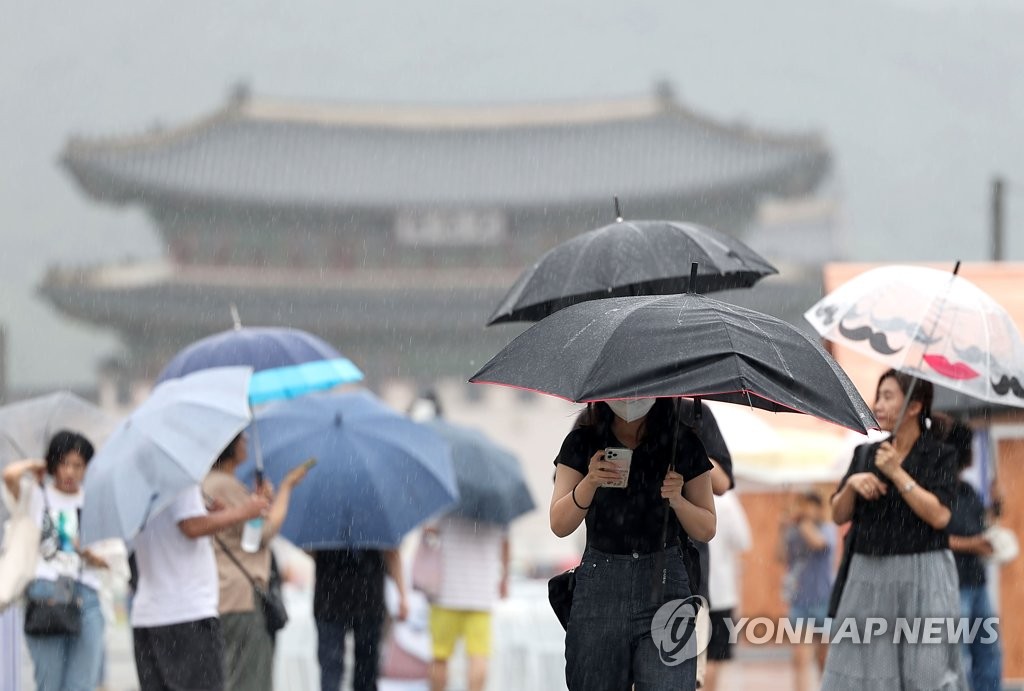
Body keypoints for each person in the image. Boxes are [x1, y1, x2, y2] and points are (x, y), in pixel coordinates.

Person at [550, 397, 716, 691]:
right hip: (600, 584)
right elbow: (560, 524)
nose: (631, 399)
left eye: (640, 390)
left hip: (664, 581)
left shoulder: (682, 442)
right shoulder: (583, 441)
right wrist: (589, 482)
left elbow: (706, 528)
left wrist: (678, 501)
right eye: (623, 392)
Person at [822, 369, 965, 689]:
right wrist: (852, 487)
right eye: (879, 396)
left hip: (924, 572)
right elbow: (837, 514)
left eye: (888, 397)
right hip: (868, 573)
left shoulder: (940, 454)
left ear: (914, 406)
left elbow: (940, 517)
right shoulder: (865, 453)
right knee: (864, 670)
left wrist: (897, 474)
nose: (878, 404)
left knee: (927, 670)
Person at [131, 460, 269, 691]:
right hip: (188, 613)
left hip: (148, 615)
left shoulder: (139, 481)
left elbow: (177, 528)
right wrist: (244, 511)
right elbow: (191, 526)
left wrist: (208, 515)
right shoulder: (180, 474)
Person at [202, 432, 310, 691]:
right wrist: (286, 488)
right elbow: (261, 534)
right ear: (229, 447)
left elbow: (247, 529)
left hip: (221, 592)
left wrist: (260, 502)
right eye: (241, 440)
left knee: (231, 673)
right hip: (240, 595)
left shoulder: (210, 483)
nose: (246, 444)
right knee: (250, 678)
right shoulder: (224, 485)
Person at [2, 430, 107, 691]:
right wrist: (35, 465)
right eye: (63, 463)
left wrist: (91, 554)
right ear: (53, 464)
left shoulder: (95, 500)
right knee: (49, 682)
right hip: (46, 594)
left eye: (78, 465)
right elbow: (10, 475)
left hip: (87, 594)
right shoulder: (36, 496)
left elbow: (112, 557)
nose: (70, 472)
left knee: (82, 684)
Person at [943, 419, 1003, 691]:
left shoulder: (968, 490)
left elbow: (982, 527)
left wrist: (995, 506)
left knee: (988, 654)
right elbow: (935, 539)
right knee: (957, 656)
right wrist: (973, 544)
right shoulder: (939, 491)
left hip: (977, 583)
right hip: (952, 585)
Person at [426, 514, 510, 691]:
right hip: (481, 594)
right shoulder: (497, 503)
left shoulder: (449, 502)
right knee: (478, 656)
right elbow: (505, 543)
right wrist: (504, 578)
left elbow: (429, 530)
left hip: (446, 593)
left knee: (439, 656)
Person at [314, 547, 410, 691]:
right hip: (366, 597)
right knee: (364, 673)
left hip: (332, 596)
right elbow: (391, 552)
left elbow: (310, 549)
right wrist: (402, 594)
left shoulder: (322, 526)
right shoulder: (376, 525)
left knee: (332, 672)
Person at [779, 490, 835, 691]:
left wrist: (801, 522)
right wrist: (782, 529)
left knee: (824, 657)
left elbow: (819, 543)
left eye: (809, 505)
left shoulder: (827, 528)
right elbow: (780, 557)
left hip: (824, 600)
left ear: (820, 509)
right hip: (799, 600)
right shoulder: (794, 531)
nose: (805, 510)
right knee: (800, 658)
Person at [703, 490, 751, 691]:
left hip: (688, 590)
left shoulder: (683, 488)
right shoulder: (727, 500)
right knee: (713, 657)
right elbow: (744, 540)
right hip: (721, 592)